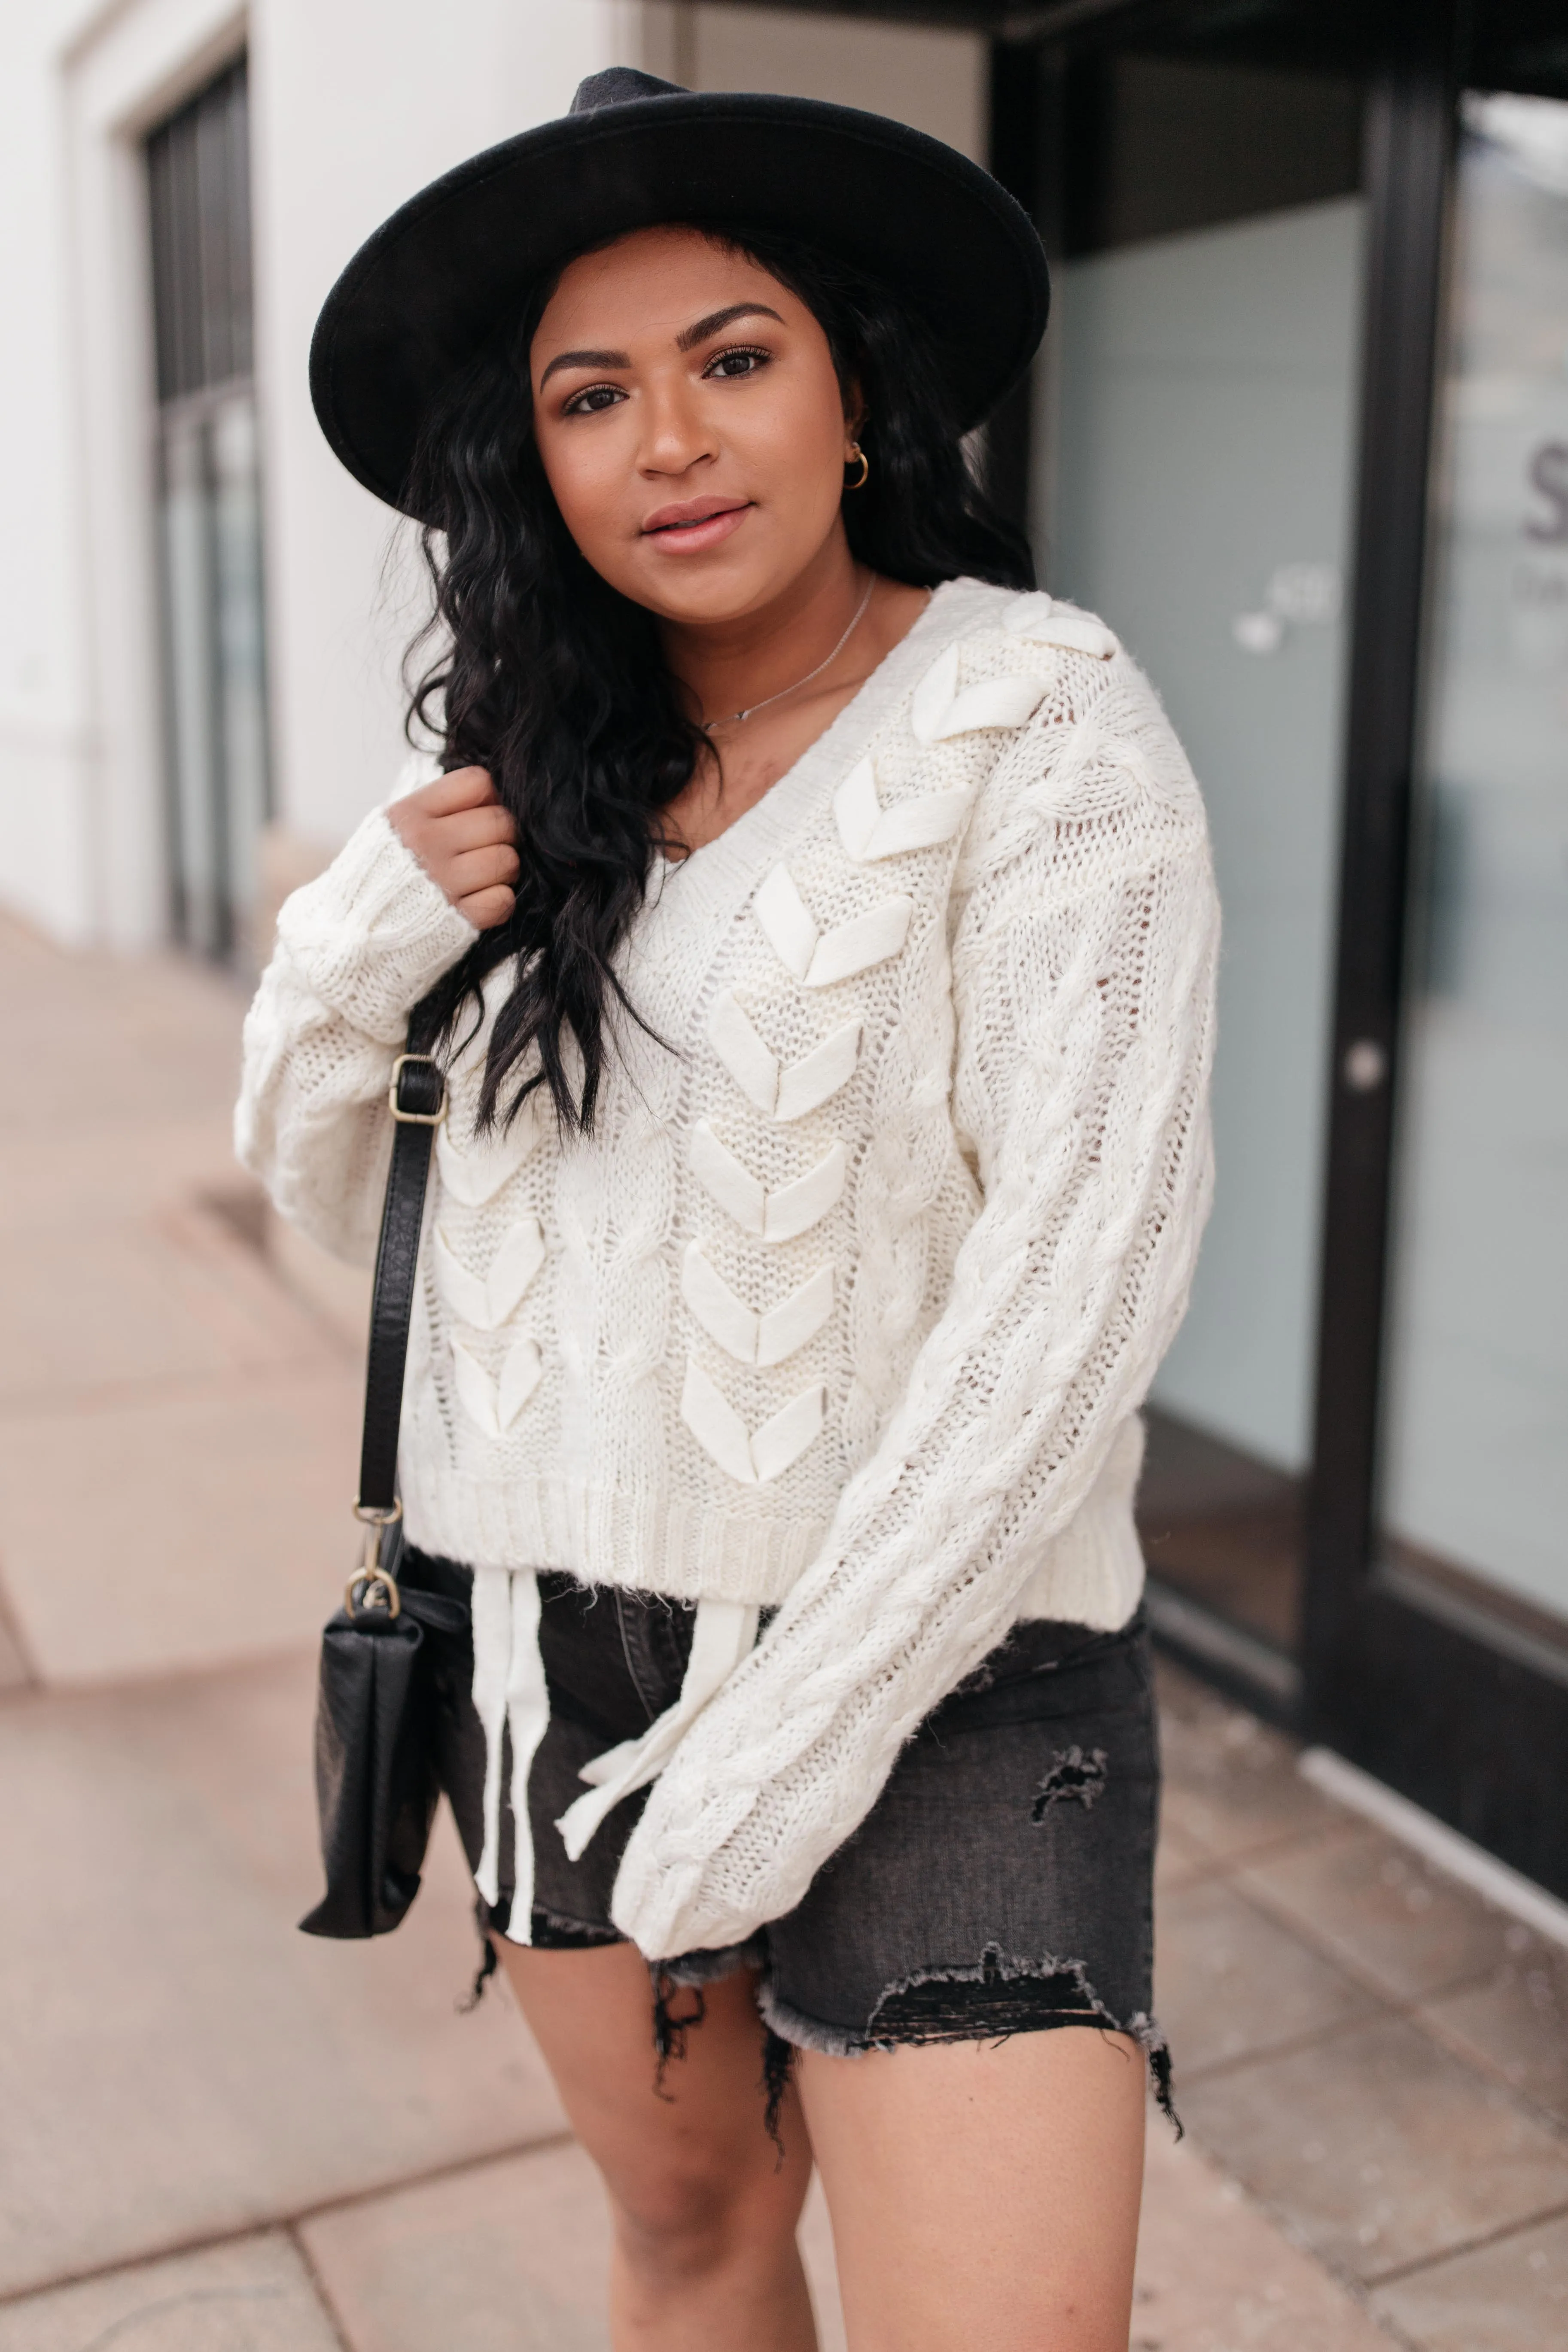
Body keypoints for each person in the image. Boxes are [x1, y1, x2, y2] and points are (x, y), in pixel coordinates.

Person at [238, 66, 1219, 2352]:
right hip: (547, 1649)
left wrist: (789, 1755)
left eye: (736, 360)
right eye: (594, 397)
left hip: (960, 1671)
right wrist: (352, 947)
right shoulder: (522, 781)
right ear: (535, 465)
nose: (670, 443)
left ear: (857, 395)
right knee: (692, 2247)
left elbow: (1077, 1282)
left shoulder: (1033, 728)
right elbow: (328, 1201)